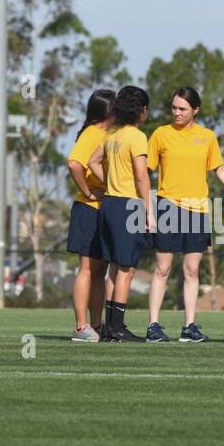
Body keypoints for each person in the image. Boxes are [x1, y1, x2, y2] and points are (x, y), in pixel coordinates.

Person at [145, 86, 224, 343]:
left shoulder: (207, 137)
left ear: (195, 110)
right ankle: (153, 326)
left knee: (192, 270)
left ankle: (189, 326)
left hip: (200, 209)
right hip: (167, 206)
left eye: (182, 108)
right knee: (162, 268)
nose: (177, 113)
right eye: (174, 107)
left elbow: (220, 170)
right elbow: (144, 172)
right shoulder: (160, 134)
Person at [87, 85, 153, 342]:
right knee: (127, 269)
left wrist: (109, 182)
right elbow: (141, 176)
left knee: (114, 269)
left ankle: (111, 328)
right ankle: (118, 328)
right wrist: (149, 212)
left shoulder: (112, 134)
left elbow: (92, 162)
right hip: (128, 205)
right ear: (141, 110)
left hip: (110, 205)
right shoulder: (136, 137)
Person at [66, 88, 114, 342]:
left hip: (103, 209)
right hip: (88, 208)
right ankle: (80, 326)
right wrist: (87, 191)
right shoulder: (93, 133)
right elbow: (74, 163)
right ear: (107, 112)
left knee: (99, 271)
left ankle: (97, 324)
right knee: (86, 268)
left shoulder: (108, 135)